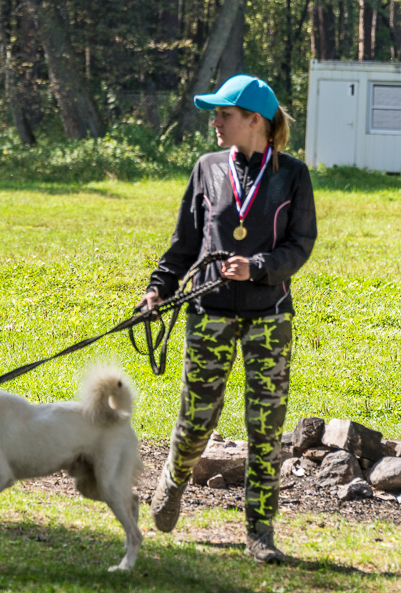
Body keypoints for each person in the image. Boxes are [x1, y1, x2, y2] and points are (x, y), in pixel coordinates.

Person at [139, 74, 317, 563]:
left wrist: (257, 267)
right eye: (215, 114)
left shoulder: (294, 175)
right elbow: (183, 243)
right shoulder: (206, 168)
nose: (215, 122)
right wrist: (158, 291)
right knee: (197, 421)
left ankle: (260, 532)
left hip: (270, 317)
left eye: (224, 114)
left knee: (265, 428)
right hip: (209, 313)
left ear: (254, 120)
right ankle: (173, 481)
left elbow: (300, 244)